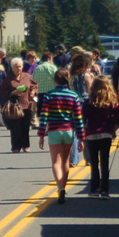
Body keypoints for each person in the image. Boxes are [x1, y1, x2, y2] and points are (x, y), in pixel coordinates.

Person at [37, 68, 85, 204]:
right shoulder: (73, 95)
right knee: (65, 161)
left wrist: (41, 134)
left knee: (56, 162)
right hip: (68, 130)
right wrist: (81, 137)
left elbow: (44, 115)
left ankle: (60, 187)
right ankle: (64, 186)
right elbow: (78, 118)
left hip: (54, 130)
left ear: (55, 80)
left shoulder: (49, 95)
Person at [82, 75, 119, 199]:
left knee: (94, 163)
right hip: (106, 134)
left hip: (91, 134)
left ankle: (94, 189)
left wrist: (84, 131)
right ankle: (105, 190)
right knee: (104, 163)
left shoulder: (88, 102)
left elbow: (83, 118)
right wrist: (112, 130)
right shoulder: (112, 102)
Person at [2, 58, 36, 153]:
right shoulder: (8, 78)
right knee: (15, 127)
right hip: (14, 106)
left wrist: (33, 92)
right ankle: (15, 146)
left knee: (25, 127)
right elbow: (3, 91)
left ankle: (26, 146)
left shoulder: (27, 76)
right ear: (13, 68)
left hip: (26, 104)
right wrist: (13, 92)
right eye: (17, 67)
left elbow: (34, 85)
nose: (19, 69)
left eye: (20, 66)